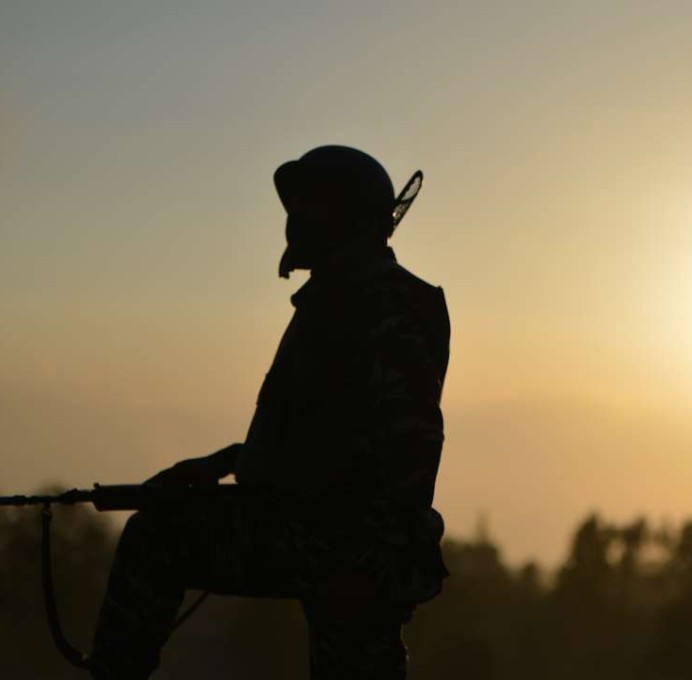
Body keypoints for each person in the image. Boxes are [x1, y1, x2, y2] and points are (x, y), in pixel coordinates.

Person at [88, 146, 450, 679]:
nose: (292, 222)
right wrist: (227, 463)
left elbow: (407, 444)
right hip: (327, 529)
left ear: (344, 218)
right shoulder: (346, 298)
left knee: (156, 539)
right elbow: (326, 438)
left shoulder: (383, 303)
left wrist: (375, 558)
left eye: (308, 208)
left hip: (349, 546)